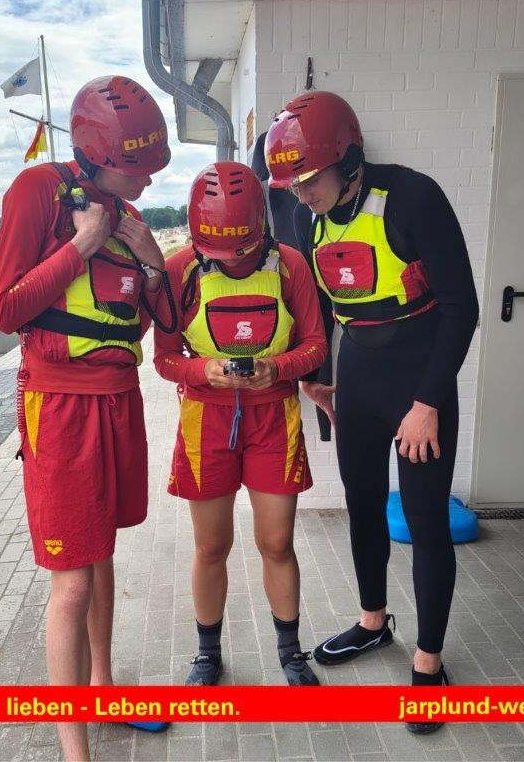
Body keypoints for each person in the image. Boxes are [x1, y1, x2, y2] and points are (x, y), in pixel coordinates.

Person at [265, 91, 480, 734]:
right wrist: (319, 377)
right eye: (291, 185)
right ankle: (372, 621)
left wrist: (428, 403)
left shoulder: (413, 198)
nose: (300, 194)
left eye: (309, 179)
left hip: (419, 378)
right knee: (362, 505)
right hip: (358, 375)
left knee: (425, 520)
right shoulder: (307, 217)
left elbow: (462, 308)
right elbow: (324, 302)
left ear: (349, 159)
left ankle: (429, 661)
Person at [0, 75, 172, 760]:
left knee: (102, 555)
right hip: (61, 406)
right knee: (71, 581)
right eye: (136, 168)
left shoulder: (126, 214)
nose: (148, 181)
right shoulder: (38, 191)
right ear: (97, 154)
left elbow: (150, 326)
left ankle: (104, 690)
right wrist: (82, 245)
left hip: (120, 400)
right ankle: (75, 750)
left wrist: (152, 266)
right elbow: (5, 310)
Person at [154, 162, 328, 687]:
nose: (232, 260)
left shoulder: (290, 265)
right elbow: (164, 358)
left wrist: (278, 368)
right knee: (211, 547)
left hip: (274, 418)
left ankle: (290, 652)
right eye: (220, 252)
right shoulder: (180, 270)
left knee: (277, 543)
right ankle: (207, 654)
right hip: (205, 421)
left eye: (243, 250)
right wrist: (202, 371)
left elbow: (316, 345)